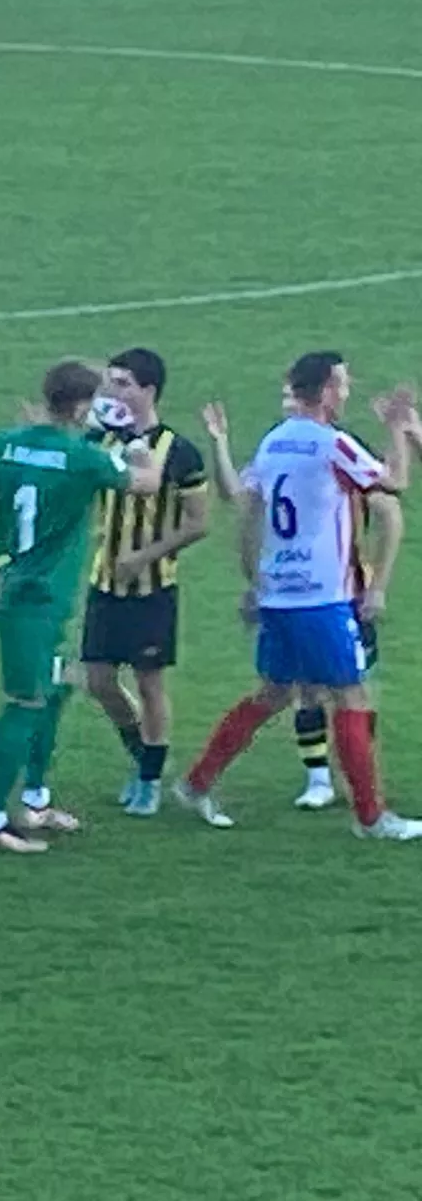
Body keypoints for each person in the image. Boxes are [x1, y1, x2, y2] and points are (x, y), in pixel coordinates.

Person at [175, 353, 421, 839]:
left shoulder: (274, 442)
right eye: (342, 384)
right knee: (351, 694)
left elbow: (247, 509)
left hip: (279, 593)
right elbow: (395, 483)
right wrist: (397, 428)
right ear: (326, 390)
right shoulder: (333, 444)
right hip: (321, 596)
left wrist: (253, 579)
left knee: (273, 693)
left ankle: (196, 783)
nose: (347, 392)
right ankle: (371, 818)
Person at [0, 360, 157, 853]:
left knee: (60, 685)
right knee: (23, 703)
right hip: (34, 599)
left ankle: (35, 800)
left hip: (15, 587)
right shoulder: (83, 457)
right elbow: (146, 481)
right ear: (83, 406)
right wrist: (134, 437)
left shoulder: (3, 444)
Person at [78, 348, 208, 817]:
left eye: (124, 383)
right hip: (104, 582)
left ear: (149, 390)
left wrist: (144, 556)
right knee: (99, 681)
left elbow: (198, 523)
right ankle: (143, 756)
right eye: (110, 382)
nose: (113, 392)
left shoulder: (179, 451)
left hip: (153, 587)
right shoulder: (101, 441)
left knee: (150, 683)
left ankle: (149, 780)